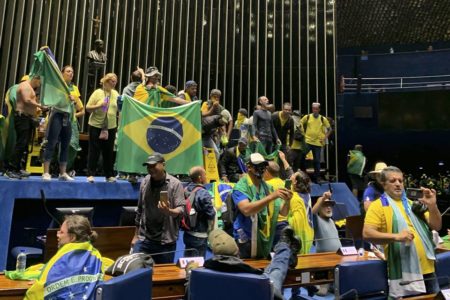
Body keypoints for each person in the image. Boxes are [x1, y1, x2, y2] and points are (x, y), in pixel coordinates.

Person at [363, 166, 441, 298]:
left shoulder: (413, 205)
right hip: (405, 273)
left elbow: (436, 226)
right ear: (384, 184)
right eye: (393, 181)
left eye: (400, 181)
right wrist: (396, 237)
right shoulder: (378, 206)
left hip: (428, 270)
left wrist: (432, 207)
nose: (398, 184)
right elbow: (367, 234)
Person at [192, 227, 301, 300]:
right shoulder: (258, 278)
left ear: (213, 252)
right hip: (265, 289)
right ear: (238, 252)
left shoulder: (198, 275)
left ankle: (286, 250)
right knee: (276, 269)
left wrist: (190, 270)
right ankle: (284, 247)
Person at [25, 215, 102, 299]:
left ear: (72, 237)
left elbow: (40, 290)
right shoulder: (96, 255)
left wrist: (43, 283)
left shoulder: (63, 260)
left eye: (61, 232)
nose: (57, 235)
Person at [232, 153, 293, 259]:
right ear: (249, 167)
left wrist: (287, 201)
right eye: (258, 165)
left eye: (264, 166)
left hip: (264, 237)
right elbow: (246, 210)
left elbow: (283, 212)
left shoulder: (267, 187)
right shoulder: (241, 187)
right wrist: (271, 197)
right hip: (246, 238)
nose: (262, 169)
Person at [131, 152, 185, 264]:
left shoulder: (175, 184)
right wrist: (135, 236)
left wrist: (168, 211)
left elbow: (181, 210)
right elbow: (140, 209)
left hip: (165, 243)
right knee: (136, 272)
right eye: (148, 166)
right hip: (144, 239)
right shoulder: (145, 182)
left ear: (163, 164)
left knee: (163, 277)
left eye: (154, 165)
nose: (151, 169)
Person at [42, 65, 83, 181]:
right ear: (62, 73)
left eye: (72, 71)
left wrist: (74, 100)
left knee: (65, 145)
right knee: (51, 142)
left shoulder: (74, 88)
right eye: (68, 71)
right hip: (57, 114)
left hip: (68, 117)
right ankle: (46, 172)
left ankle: (63, 173)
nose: (71, 73)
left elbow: (79, 107)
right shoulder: (58, 85)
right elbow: (54, 100)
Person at [6, 75, 46, 179]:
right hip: (22, 118)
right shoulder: (24, 85)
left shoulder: (30, 88)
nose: (39, 84)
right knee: (21, 143)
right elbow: (27, 100)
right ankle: (10, 168)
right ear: (35, 78)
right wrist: (40, 105)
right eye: (39, 82)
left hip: (27, 119)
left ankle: (18, 168)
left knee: (24, 145)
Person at [85, 73, 119, 183]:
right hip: (96, 125)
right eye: (112, 81)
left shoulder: (116, 94)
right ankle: (90, 174)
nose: (114, 83)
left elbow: (119, 109)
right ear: (106, 81)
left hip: (111, 127)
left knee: (108, 151)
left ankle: (109, 175)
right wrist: (99, 106)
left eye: (115, 81)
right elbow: (88, 108)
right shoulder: (97, 93)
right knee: (94, 151)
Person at [311, 193, 340, 296]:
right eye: (325, 205)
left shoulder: (332, 221)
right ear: (319, 207)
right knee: (322, 292)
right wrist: (322, 199)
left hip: (337, 259)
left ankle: (332, 283)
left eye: (330, 205)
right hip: (324, 261)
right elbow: (311, 214)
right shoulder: (317, 220)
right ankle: (317, 284)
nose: (328, 207)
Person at [183, 166, 216, 258]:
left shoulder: (186, 190)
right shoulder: (203, 193)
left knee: (187, 260)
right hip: (200, 235)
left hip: (187, 232)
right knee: (198, 265)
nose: (206, 176)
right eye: (205, 174)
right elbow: (210, 214)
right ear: (200, 178)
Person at [300, 102, 331, 183]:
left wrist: (324, 138)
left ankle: (317, 178)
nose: (315, 110)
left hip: (317, 143)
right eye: (313, 108)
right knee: (301, 156)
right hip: (308, 141)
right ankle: (303, 173)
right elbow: (300, 124)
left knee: (317, 161)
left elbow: (330, 129)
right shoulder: (307, 117)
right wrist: (303, 133)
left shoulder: (322, 119)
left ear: (319, 109)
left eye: (316, 109)